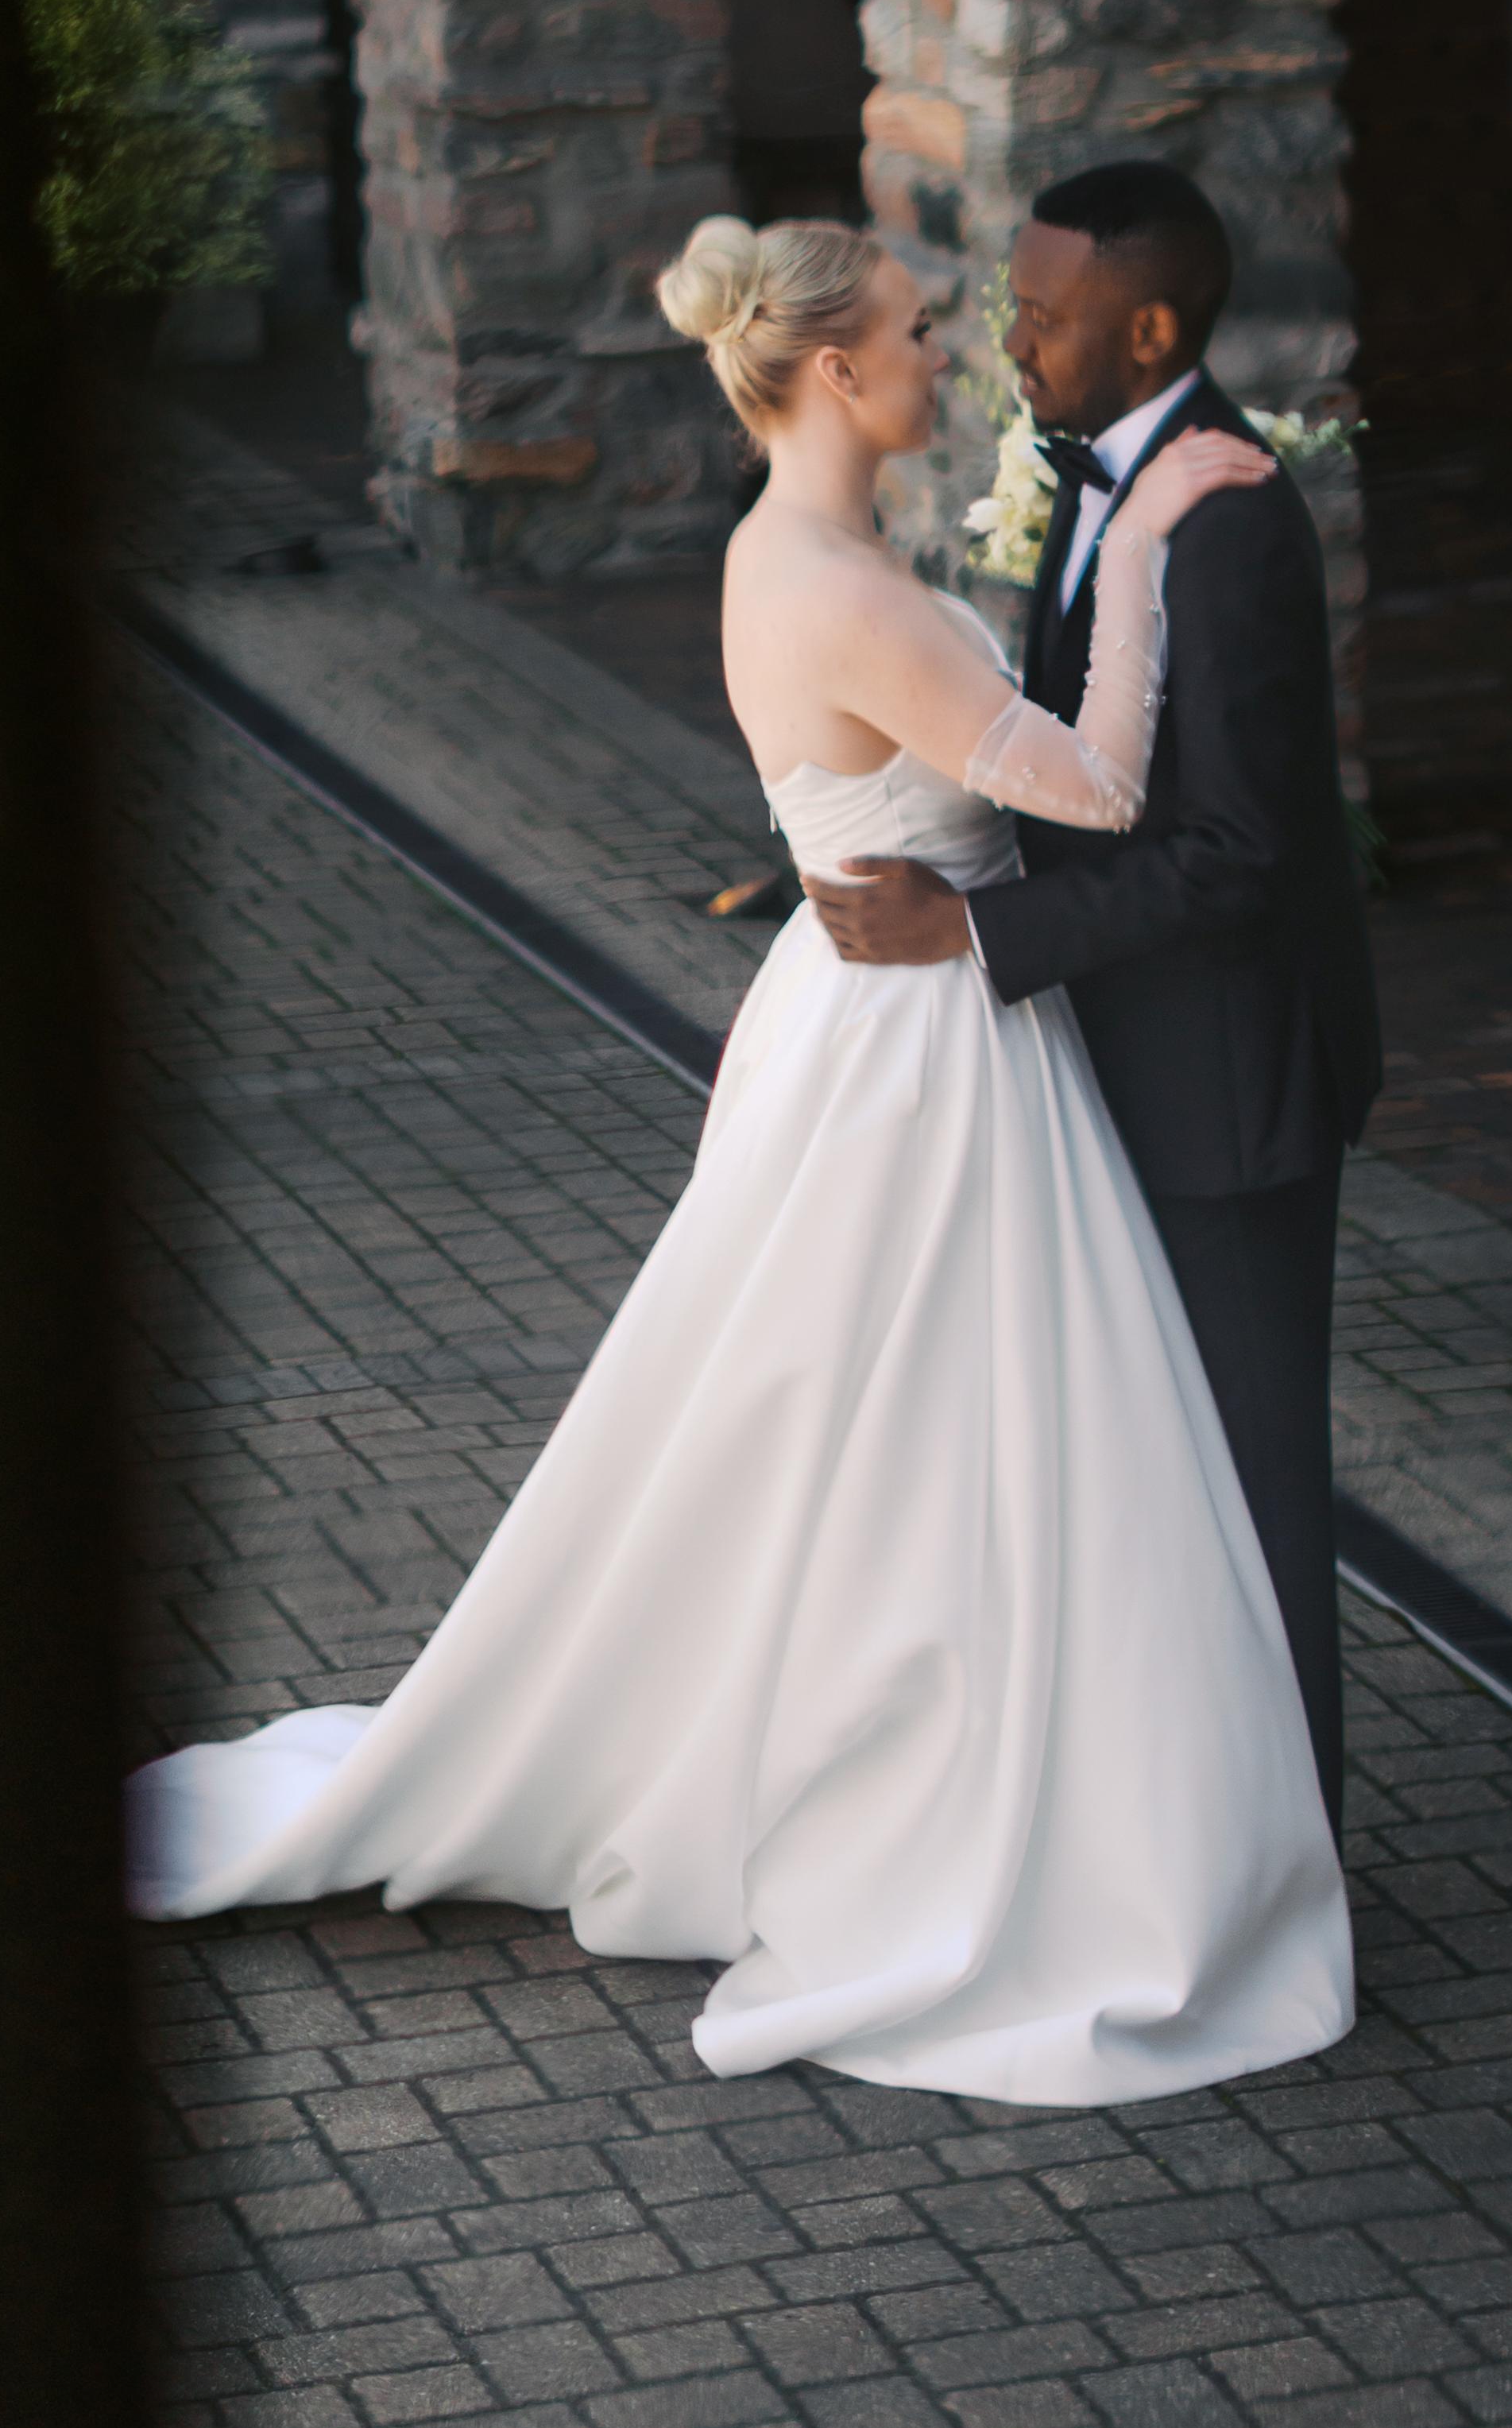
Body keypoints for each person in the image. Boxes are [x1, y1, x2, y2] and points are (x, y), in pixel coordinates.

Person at [125, 213, 1354, 2112]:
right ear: (837, 371)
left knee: (862, 1424)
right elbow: (1105, 784)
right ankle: (943, 1778)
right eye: (923, 330)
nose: (953, 353)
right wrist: (1143, 554)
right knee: (933, 1430)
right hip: (925, 1049)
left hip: (872, 1011)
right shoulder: (844, 589)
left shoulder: (789, 551)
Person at [811, 161, 1380, 1825]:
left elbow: (1237, 855)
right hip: (1117, 1059)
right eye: (1014, 306)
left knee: (1256, 1489)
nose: (1014, 341)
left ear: (1149, 330)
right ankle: (1185, 1825)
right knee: (1153, 1481)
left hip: (1225, 1090)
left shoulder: (1229, 521)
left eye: (1048, 316)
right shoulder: (1100, 480)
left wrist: (973, 935)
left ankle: (1297, 1862)